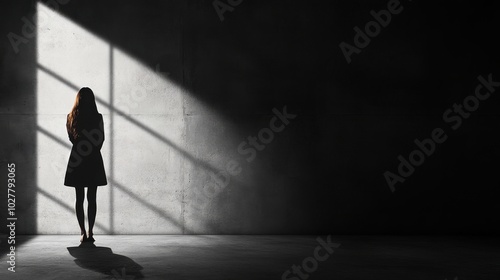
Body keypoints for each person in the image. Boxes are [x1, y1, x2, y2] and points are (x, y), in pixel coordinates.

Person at [64, 87, 107, 243]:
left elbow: (71, 138)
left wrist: (80, 149)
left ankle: (83, 232)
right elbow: (101, 138)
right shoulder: (97, 117)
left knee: (79, 197)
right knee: (91, 197)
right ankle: (90, 232)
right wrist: (93, 151)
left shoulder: (71, 117)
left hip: (78, 158)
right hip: (93, 158)